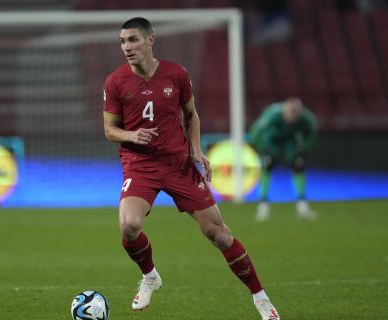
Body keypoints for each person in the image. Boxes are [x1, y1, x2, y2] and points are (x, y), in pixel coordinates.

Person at [103, 17, 280, 320]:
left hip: (178, 164)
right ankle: (150, 276)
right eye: (122, 41)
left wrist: (196, 150)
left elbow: (191, 115)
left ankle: (261, 298)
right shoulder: (115, 81)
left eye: (132, 40)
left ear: (150, 40)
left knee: (220, 235)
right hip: (140, 165)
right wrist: (131, 135)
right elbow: (109, 130)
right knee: (129, 227)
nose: (126, 47)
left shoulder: (176, 75)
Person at [249, 97, 318, 222]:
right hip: (272, 140)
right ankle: (263, 206)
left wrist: (304, 148)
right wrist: (261, 147)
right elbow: (256, 130)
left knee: (299, 165)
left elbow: (312, 133)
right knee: (267, 165)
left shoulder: (306, 118)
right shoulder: (273, 114)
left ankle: (302, 205)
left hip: (290, 141)